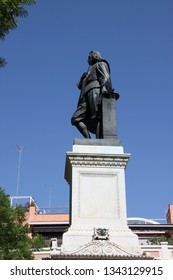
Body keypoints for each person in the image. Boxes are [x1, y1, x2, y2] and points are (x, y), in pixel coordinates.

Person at [71, 51, 113, 138]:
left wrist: (104, 88)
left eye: (88, 57)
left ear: (94, 56)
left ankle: (98, 140)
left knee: (97, 117)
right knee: (75, 118)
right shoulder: (88, 71)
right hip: (85, 95)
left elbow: (105, 76)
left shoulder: (101, 64)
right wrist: (83, 78)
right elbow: (79, 86)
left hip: (95, 91)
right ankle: (88, 139)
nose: (87, 60)